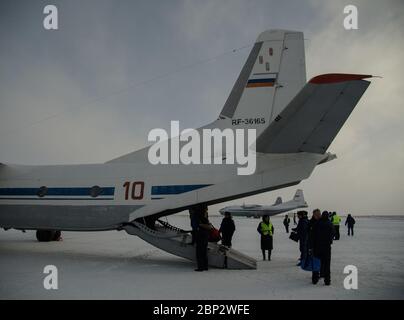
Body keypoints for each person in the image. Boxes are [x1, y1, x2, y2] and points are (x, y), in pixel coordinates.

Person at [309, 210, 334, 285]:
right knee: (327, 264)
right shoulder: (330, 224)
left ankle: (315, 279)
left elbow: (312, 236)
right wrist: (329, 241)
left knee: (316, 263)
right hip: (326, 248)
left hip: (317, 247)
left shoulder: (317, 224)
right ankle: (327, 280)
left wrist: (311, 246)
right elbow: (333, 234)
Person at [195, 205, 212, 272]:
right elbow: (209, 227)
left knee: (199, 252)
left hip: (201, 236)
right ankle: (205, 266)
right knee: (204, 252)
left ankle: (200, 267)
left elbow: (200, 225)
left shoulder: (200, 217)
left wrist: (200, 225)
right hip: (205, 236)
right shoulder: (206, 218)